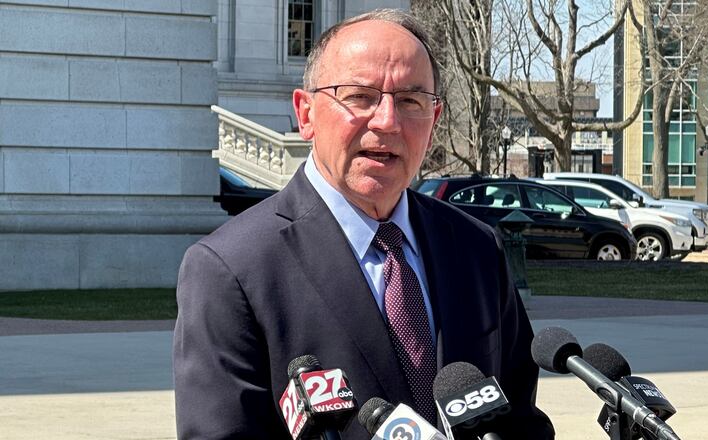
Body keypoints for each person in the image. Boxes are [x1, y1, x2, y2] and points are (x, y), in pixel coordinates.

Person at [173, 8, 554, 440]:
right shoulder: (231, 269)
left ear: (434, 122)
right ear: (306, 114)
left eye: (410, 101)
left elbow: (520, 419)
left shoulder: (476, 248)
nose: (387, 121)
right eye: (360, 97)